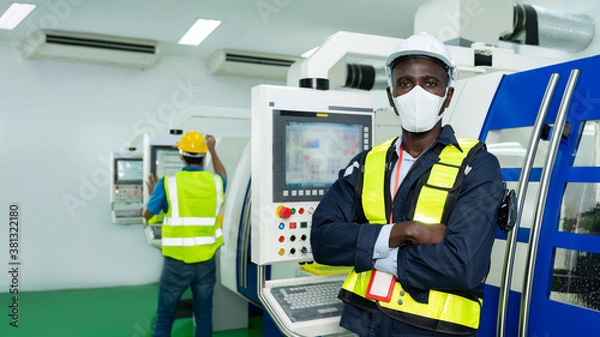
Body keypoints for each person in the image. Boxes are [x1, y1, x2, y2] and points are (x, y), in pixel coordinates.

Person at [310, 32, 505, 337]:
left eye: (430, 83)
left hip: (435, 329)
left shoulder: (477, 164)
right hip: (368, 321)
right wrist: (407, 231)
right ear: (391, 95)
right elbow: (323, 241)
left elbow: (464, 266)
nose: (417, 93)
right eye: (405, 83)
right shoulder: (366, 163)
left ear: (447, 95)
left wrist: (370, 249)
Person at [143, 131, 227, 337]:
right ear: (203, 156)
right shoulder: (216, 183)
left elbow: (147, 214)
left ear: (181, 155)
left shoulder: (167, 184)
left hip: (176, 262)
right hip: (206, 261)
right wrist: (213, 150)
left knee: (165, 316)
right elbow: (223, 175)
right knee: (204, 315)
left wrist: (153, 193)